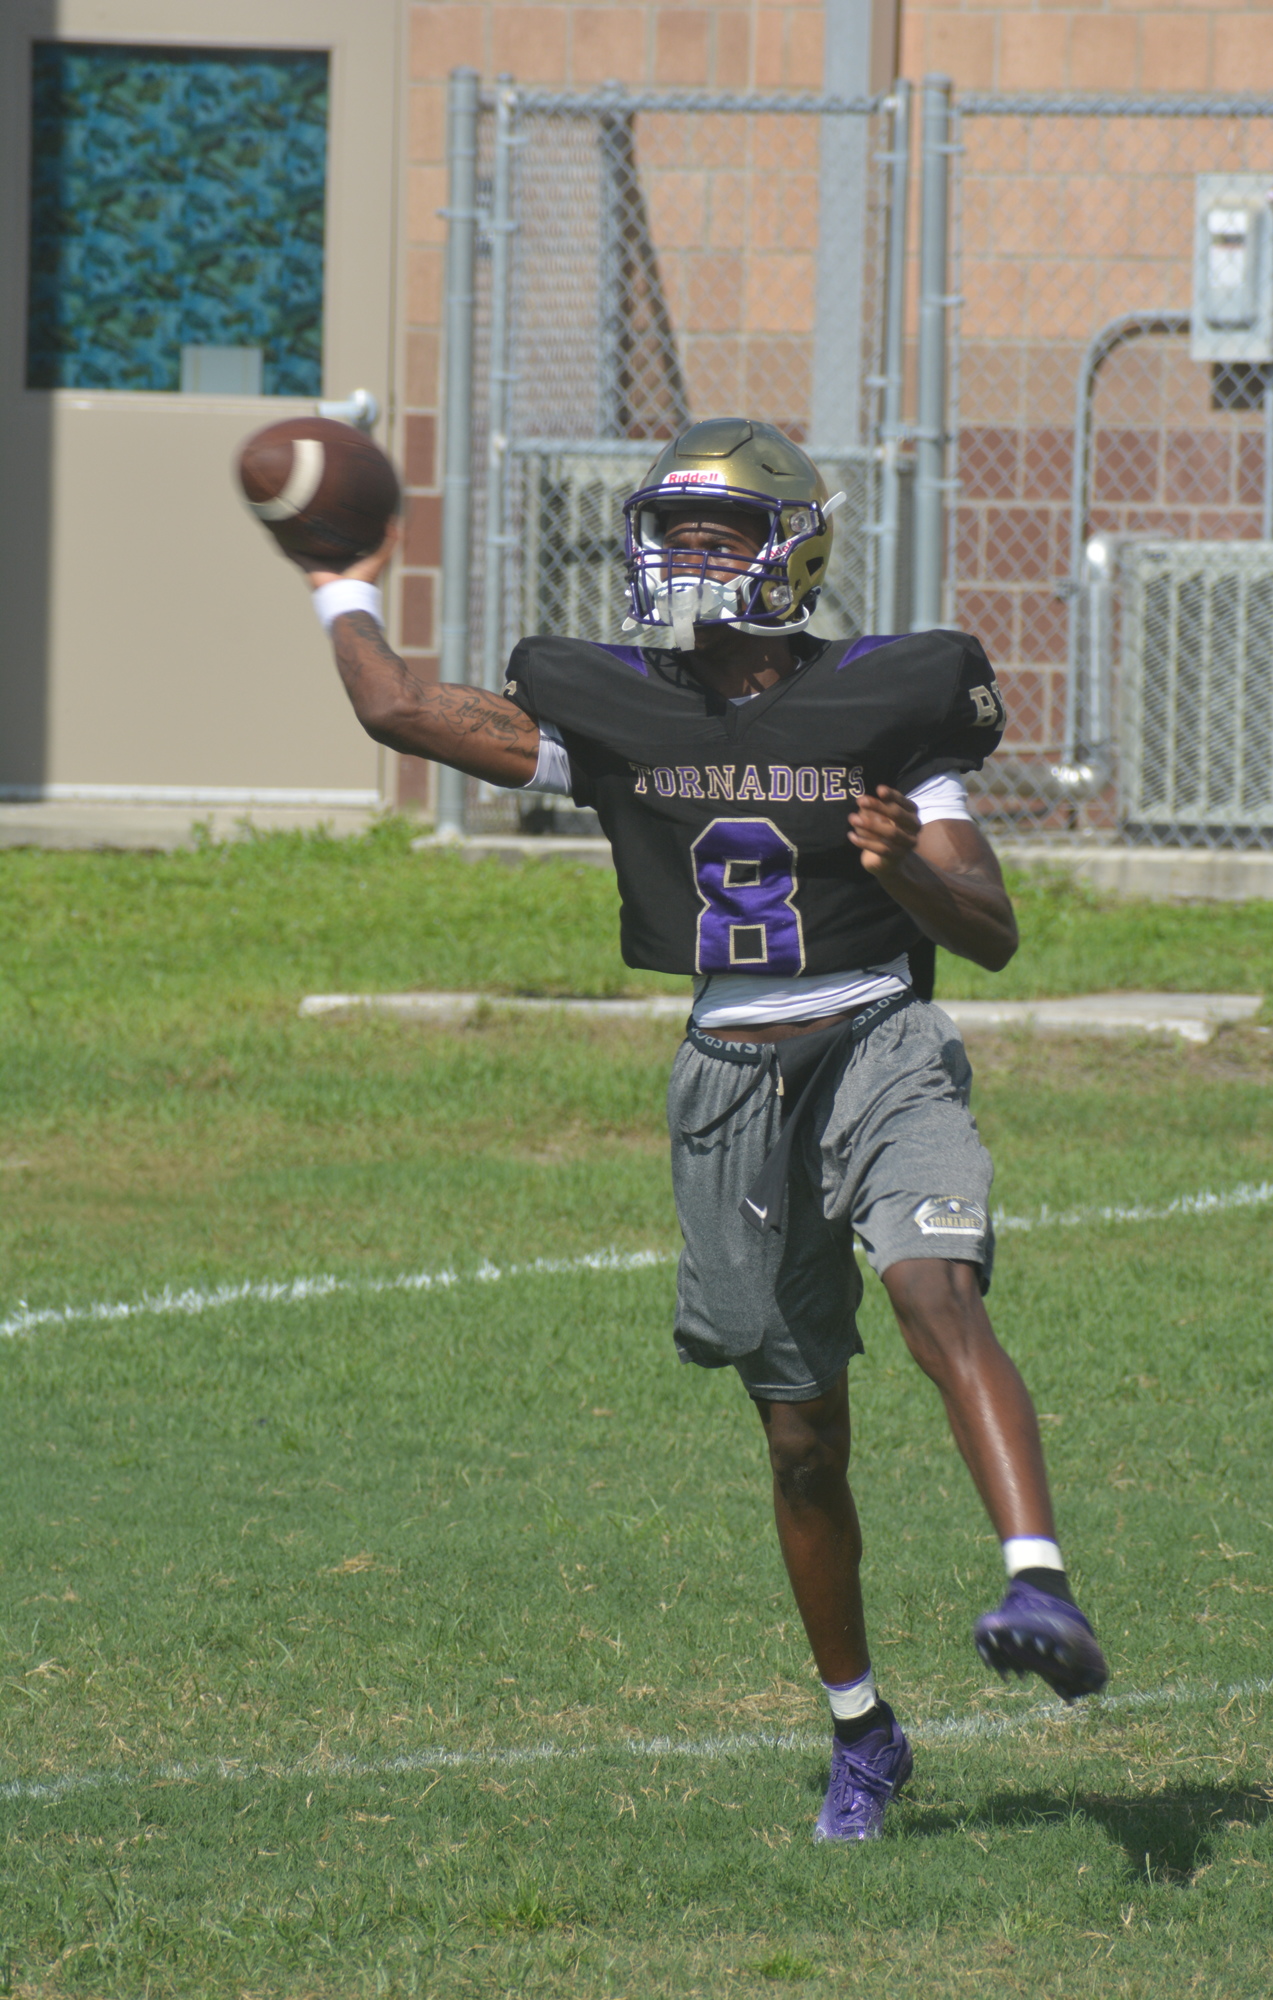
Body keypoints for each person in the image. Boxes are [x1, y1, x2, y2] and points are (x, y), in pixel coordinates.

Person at [290, 417, 1107, 1842]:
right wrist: (336, 584)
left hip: (876, 1037)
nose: (677, 558)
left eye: (712, 536)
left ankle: (1034, 1577)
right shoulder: (615, 702)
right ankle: (861, 1727)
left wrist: (906, 869)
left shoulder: (895, 698)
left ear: (789, 555)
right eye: (665, 531)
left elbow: (990, 931)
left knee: (934, 1288)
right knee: (799, 1438)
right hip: (727, 1075)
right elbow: (400, 713)